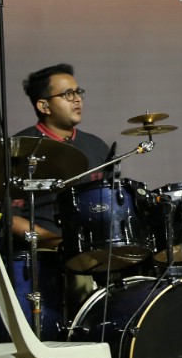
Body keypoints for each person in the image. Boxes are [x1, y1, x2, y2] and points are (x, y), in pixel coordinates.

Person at [10, 63, 112, 248]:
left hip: (95, 250)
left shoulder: (97, 146)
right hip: (44, 253)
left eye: (78, 92)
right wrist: (56, 242)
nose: (77, 100)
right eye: (68, 94)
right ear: (44, 106)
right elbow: (10, 218)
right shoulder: (20, 148)